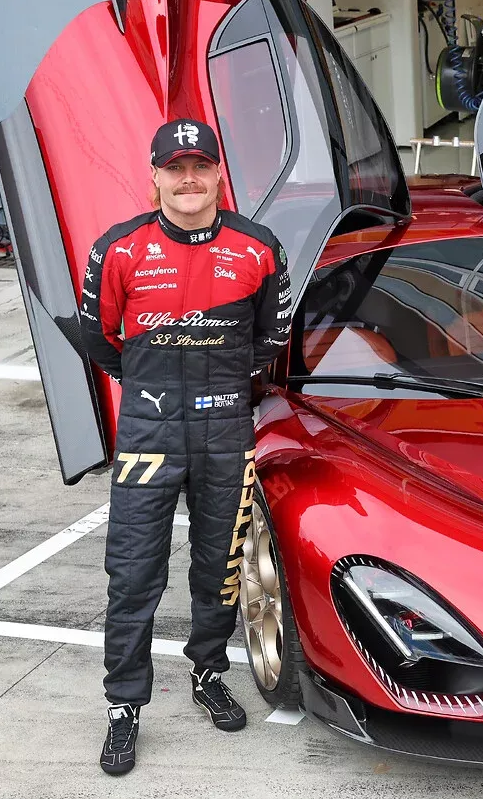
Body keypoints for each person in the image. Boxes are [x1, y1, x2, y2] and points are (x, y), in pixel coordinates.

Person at [79, 118, 291, 775]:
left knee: (219, 565)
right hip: (148, 432)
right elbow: (98, 338)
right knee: (132, 570)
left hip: (226, 429)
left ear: (218, 174)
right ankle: (124, 704)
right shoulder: (119, 249)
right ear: (156, 176)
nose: (189, 179)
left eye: (200, 166)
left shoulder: (258, 247)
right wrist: (153, 386)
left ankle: (207, 671)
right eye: (176, 168)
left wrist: (221, 385)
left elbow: (273, 337)